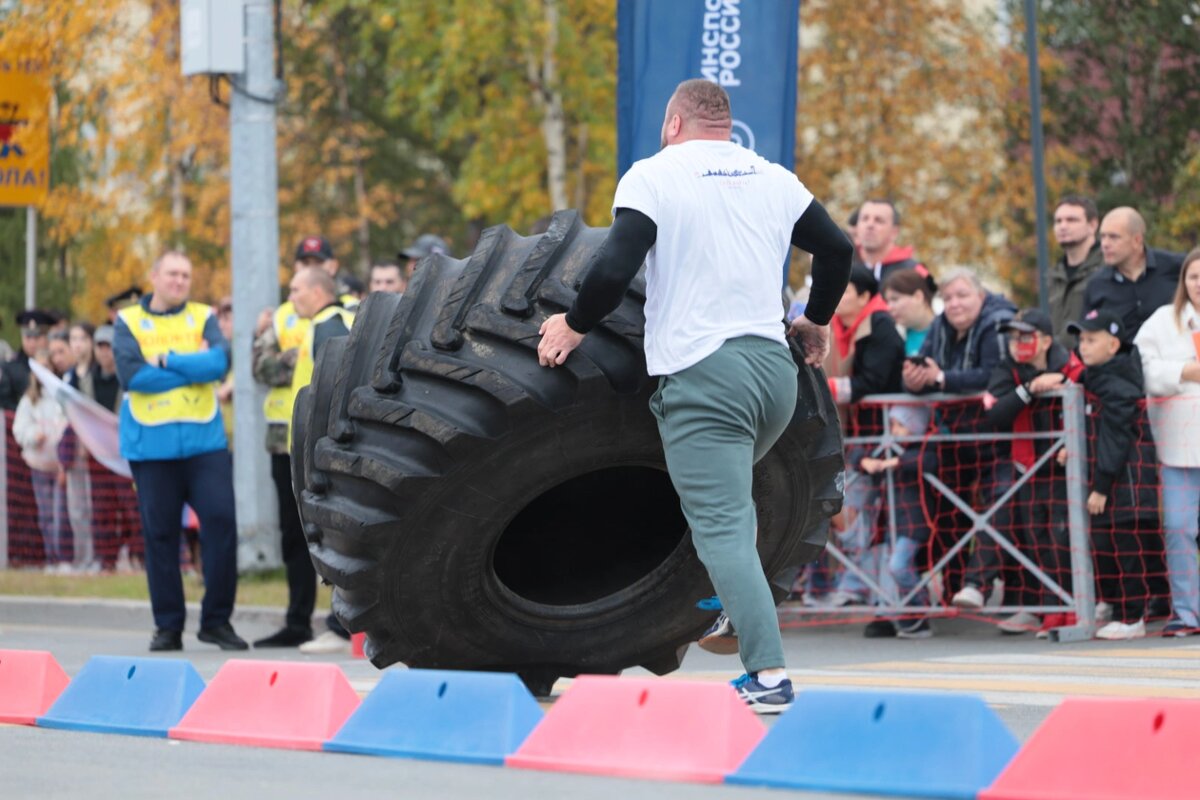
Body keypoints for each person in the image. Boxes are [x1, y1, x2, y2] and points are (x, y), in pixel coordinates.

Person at [536, 79, 853, 713]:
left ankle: (767, 674)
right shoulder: (772, 176)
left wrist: (573, 324)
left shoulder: (653, 175)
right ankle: (734, 611)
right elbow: (838, 248)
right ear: (726, 126)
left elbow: (615, 264)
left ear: (674, 124)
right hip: (774, 375)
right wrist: (814, 318)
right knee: (730, 504)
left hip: (707, 376)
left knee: (725, 526)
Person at [113, 251, 246, 652]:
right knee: (161, 535)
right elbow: (133, 376)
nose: (179, 281)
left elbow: (219, 364)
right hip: (150, 447)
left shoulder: (203, 316)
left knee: (222, 523)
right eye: (171, 274)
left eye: (185, 275)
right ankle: (168, 626)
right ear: (154, 276)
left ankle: (216, 622)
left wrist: (168, 360)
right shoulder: (128, 321)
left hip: (204, 442)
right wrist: (192, 367)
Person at [903, 268, 1016, 607]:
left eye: (962, 295)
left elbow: (995, 375)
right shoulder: (939, 325)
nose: (954, 304)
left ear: (981, 297)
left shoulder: (998, 322)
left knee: (1000, 507)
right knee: (949, 512)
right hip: (954, 437)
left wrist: (941, 379)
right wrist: (914, 379)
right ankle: (953, 590)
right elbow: (923, 369)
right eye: (948, 297)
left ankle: (977, 585)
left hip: (998, 433)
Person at [982, 309, 1084, 634]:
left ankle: (1077, 607)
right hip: (1028, 466)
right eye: (1013, 337)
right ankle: (1052, 608)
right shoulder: (1008, 369)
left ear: (1045, 340)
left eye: (1024, 336)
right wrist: (1029, 389)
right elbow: (995, 415)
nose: (1017, 344)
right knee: (1035, 538)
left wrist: (1064, 382)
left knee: (1063, 537)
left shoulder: (1070, 364)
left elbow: (1090, 399)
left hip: (1065, 466)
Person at [1064, 310, 1161, 639]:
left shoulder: (1116, 380)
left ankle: (1132, 615)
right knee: (1106, 543)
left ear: (1113, 344)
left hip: (1125, 482)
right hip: (1111, 480)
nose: (1083, 346)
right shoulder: (1095, 377)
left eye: (1091, 339)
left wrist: (1102, 485)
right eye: (1080, 340)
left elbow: (1116, 436)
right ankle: (1119, 604)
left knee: (1125, 545)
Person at [823, 265, 905, 610]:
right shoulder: (837, 326)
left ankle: (884, 590)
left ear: (865, 296)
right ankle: (862, 582)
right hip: (857, 434)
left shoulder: (881, 327)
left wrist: (825, 391)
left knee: (879, 514)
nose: (838, 299)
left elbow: (873, 381)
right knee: (855, 512)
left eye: (845, 291)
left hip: (883, 433)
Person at [285, 267, 357, 655]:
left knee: (329, 535)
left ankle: (339, 624)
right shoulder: (336, 321)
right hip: (333, 443)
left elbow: (329, 389)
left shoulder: (325, 327)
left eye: (296, 289)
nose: (291, 295)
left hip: (324, 447)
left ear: (316, 291)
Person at [1135, 248, 1200, 636]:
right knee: (1177, 528)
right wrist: (1186, 370)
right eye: (1193, 278)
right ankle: (1187, 612)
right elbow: (1142, 367)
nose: (1199, 285)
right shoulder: (1163, 322)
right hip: (1178, 447)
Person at [1082, 207, 1184, 338]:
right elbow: (1085, 334)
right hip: (1119, 357)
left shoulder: (1176, 267)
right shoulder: (1096, 284)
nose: (1105, 244)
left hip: (1173, 355)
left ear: (1137, 240)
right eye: (1102, 237)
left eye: (1113, 237)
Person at [12, 354, 68, 571]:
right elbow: (19, 428)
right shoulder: (29, 400)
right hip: (39, 466)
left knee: (61, 514)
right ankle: (51, 557)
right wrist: (33, 435)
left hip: (61, 465)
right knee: (46, 515)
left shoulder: (62, 395)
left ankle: (64, 557)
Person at [1048, 195, 1104, 340]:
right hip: (1059, 361)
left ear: (1092, 225)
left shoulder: (1106, 269)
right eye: (1058, 221)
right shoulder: (1053, 276)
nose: (1063, 226)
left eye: (1072, 220)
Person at [853, 200, 925, 285]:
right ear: (856, 227)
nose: (870, 225)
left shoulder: (915, 272)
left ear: (894, 232)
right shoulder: (843, 264)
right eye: (864, 219)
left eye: (879, 220)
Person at [0, 310, 55, 411]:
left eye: (37, 337)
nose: (32, 342)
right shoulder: (9, 367)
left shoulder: (56, 364)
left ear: (47, 337)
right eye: (28, 337)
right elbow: (5, 403)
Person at [882, 267, 937, 357]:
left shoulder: (950, 332)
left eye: (895, 299)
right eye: (887, 302)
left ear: (918, 297)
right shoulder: (894, 336)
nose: (889, 307)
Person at [295, 235, 358, 305]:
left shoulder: (352, 307)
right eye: (305, 263)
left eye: (318, 262)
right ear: (296, 267)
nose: (311, 269)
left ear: (333, 266)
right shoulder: (285, 311)